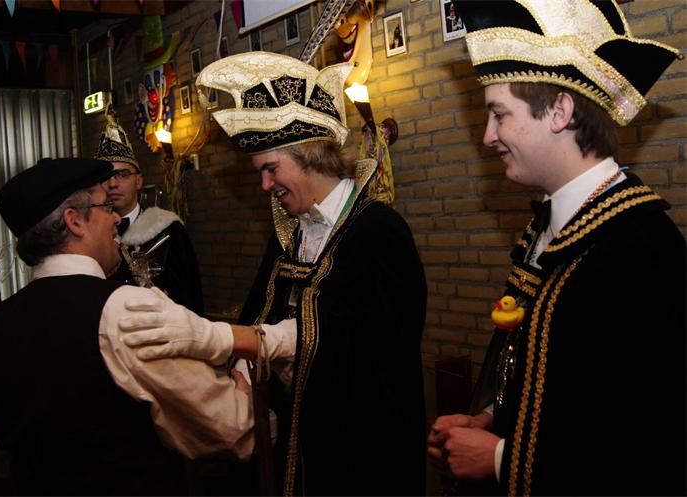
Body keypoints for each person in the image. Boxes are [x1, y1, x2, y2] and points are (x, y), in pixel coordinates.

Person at [120, 51, 428, 496]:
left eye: (270, 169)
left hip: (359, 445)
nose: (266, 186)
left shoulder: (378, 231)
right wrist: (243, 369)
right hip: (298, 439)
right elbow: (261, 312)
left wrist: (231, 339)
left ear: (311, 155)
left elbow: (366, 343)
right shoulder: (291, 233)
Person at [427, 1, 686, 495]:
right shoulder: (554, 224)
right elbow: (564, 386)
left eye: (498, 114)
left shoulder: (637, 251)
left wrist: (499, 458)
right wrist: (491, 419)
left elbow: (649, 444)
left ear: (559, 112)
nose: (487, 136)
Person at [0, 157, 298, 495]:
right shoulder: (124, 311)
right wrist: (244, 389)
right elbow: (227, 429)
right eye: (106, 207)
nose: (116, 218)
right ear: (74, 221)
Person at [95, 104, 204, 315]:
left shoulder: (167, 229)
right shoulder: (90, 235)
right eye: (105, 177)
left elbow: (189, 296)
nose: (113, 184)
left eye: (123, 175)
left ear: (138, 181)